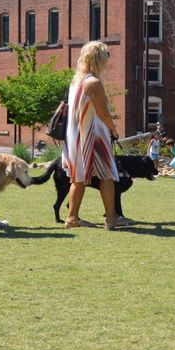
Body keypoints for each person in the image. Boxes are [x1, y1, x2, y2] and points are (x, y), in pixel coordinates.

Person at [61, 41, 130, 229]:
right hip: (93, 134)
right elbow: (103, 113)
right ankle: (111, 218)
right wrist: (114, 130)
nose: (109, 58)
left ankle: (72, 218)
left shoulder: (77, 81)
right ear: (99, 58)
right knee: (107, 174)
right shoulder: (93, 82)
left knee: (78, 177)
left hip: (76, 136)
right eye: (107, 54)